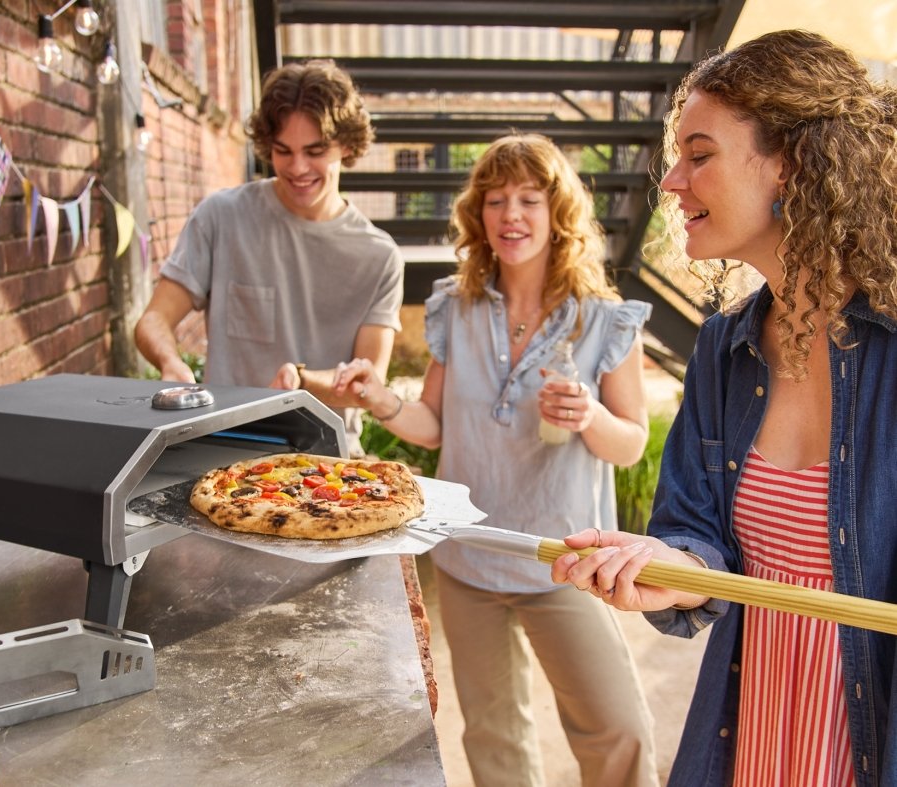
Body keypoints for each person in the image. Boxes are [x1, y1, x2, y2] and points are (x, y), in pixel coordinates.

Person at [551, 29, 897, 786]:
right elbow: (700, 539)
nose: (672, 181)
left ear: (793, 163)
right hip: (756, 728)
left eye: (699, 153)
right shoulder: (721, 351)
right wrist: (673, 568)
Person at [333, 134, 657, 787]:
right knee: (492, 736)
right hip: (470, 553)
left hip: (565, 557)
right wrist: (381, 399)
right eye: (496, 199)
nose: (511, 214)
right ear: (478, 214)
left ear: (556, 209)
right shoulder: (455, 305)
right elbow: (433, 425)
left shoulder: (604, 320)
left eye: (528, 199)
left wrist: (591, 416)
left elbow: (632, 442)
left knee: (616, 730)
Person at [133, 59, 403, 456]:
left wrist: (302, 380)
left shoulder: (379, 256)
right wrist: (171, 363)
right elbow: (153, 320)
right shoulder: (222, 216)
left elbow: (367, 383)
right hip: (222, 449)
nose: (297, 167)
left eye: (315, 151)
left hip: (328, 461)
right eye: (283, 151)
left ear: (346, 145)